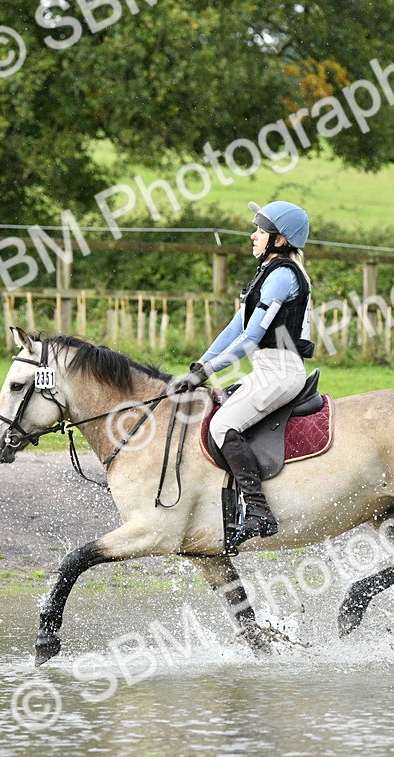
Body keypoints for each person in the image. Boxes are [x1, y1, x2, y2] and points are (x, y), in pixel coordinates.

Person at [171, 200, 315, 555]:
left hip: (280, 373)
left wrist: (209, 371)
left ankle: (259, 512)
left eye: (260, 232)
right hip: (266, 369)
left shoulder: (282, 276)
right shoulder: (266, 274)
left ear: (279, 241)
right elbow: (234, 328)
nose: (253, 236)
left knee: (222, 427)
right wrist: (198, 367)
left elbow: (250, 338)